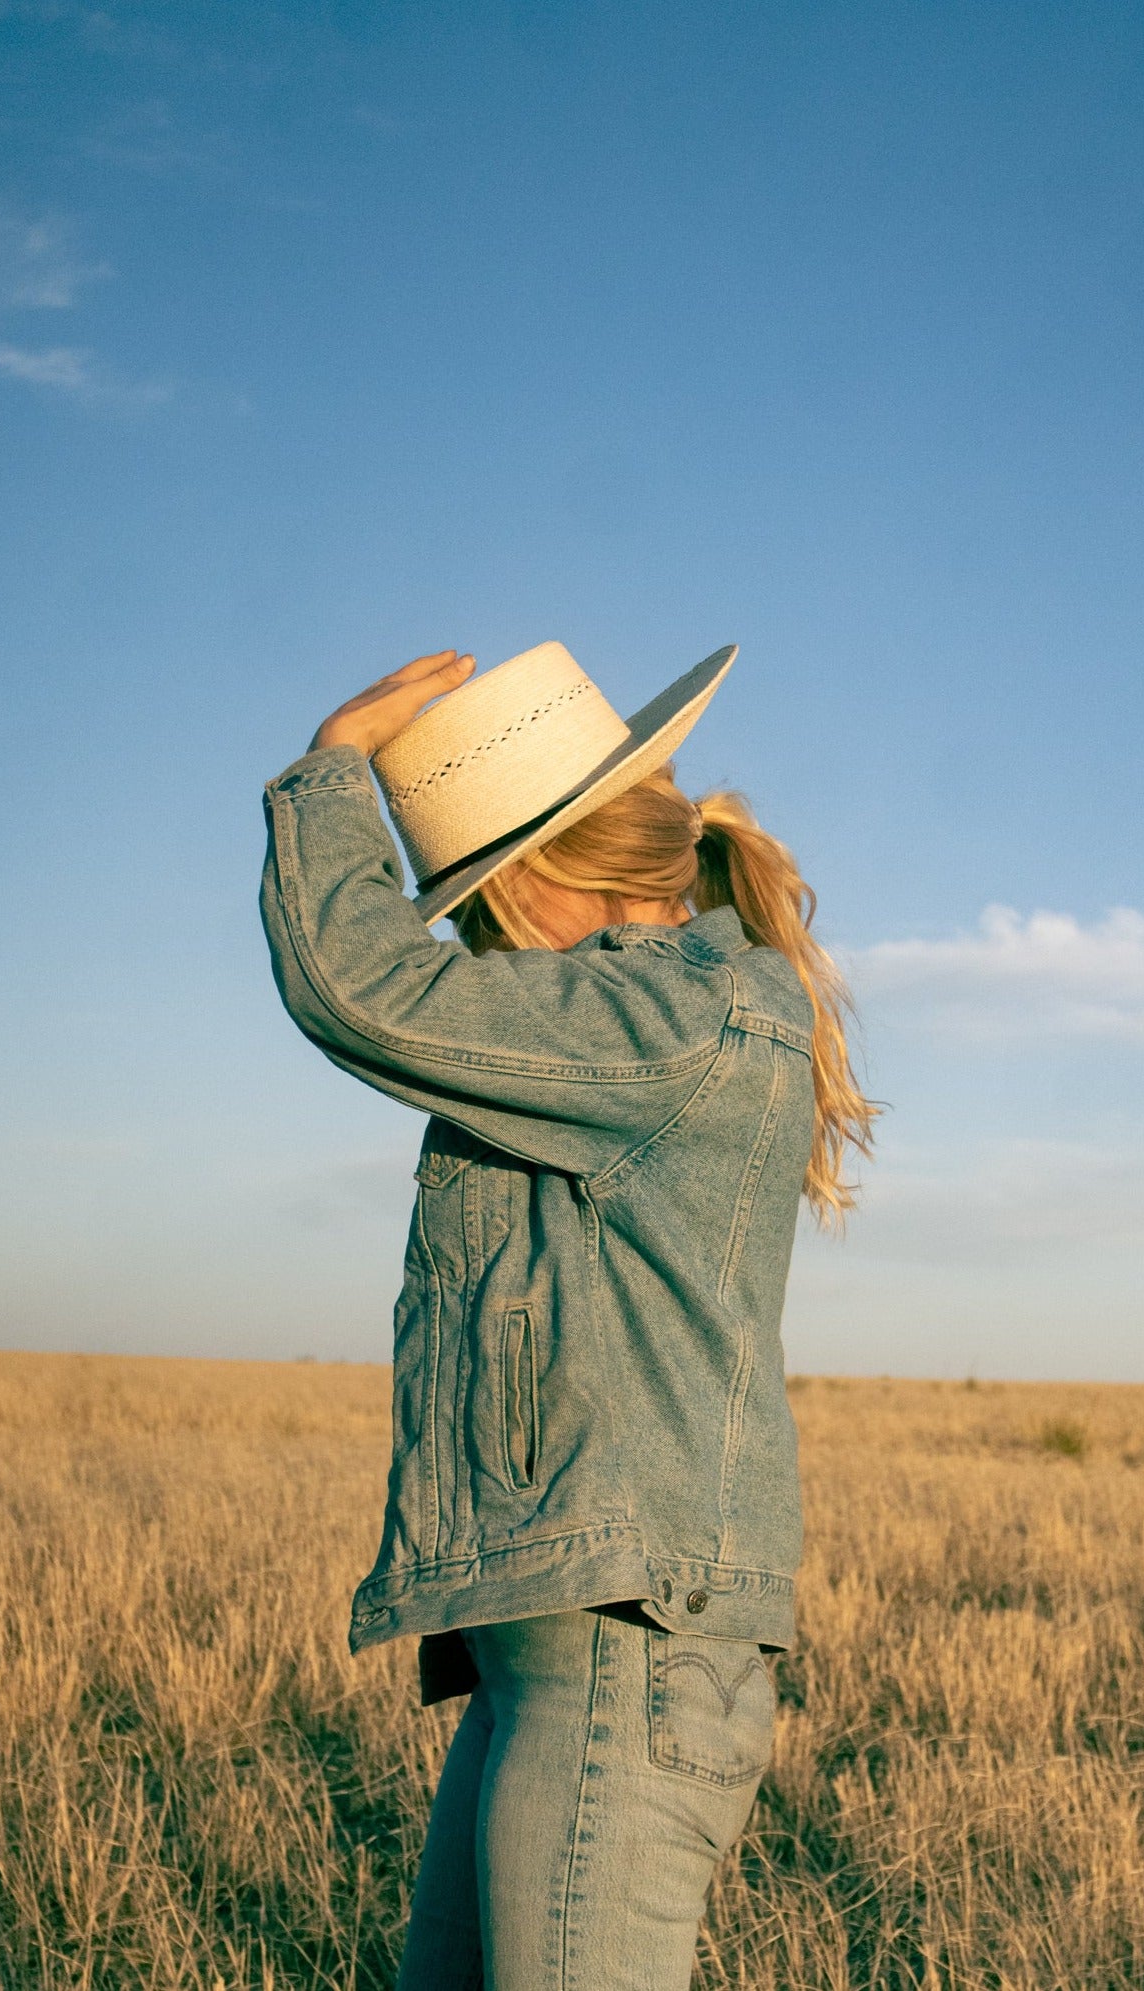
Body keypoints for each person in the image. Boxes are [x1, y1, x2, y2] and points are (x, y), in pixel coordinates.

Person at [260, 641, 875, 1990]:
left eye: (473, 903)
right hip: (566, 1647)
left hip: (622, 1654)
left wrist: (330, 770)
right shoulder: (643, 1022)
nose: (472, 939)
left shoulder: (658, 1020)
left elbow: (360, 990)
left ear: (531, 877)